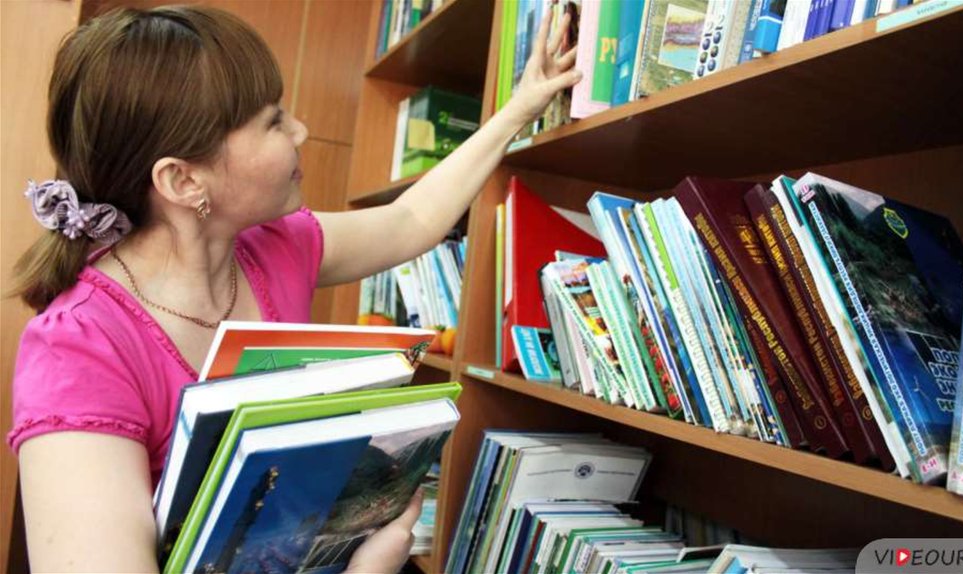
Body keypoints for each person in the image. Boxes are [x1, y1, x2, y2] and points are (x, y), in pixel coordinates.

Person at [7, 4, 579, 572]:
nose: (301, 130)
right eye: (274, 121)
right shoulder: (76, 349)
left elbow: (411, 220)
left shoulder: (274, 246)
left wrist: (520, 108)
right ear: (183, 179)